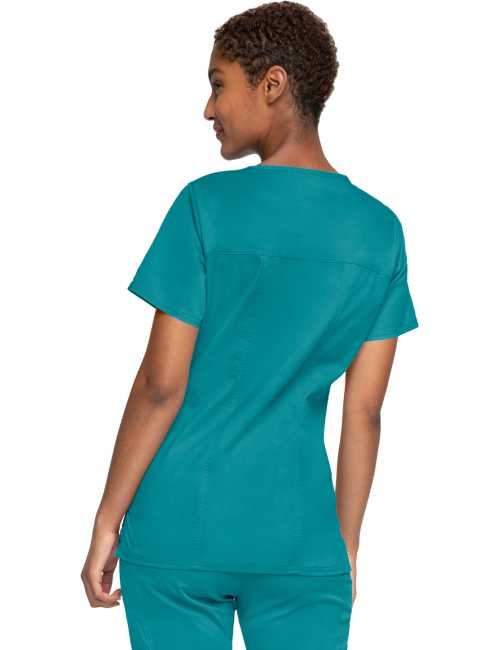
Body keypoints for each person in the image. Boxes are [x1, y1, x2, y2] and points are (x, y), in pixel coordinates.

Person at [81, 2, 419, 648]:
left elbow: (160, 385)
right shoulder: (381, 232)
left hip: (178, 528)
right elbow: (364, 412)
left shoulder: (204, 207)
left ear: (272, 85)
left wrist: (106, 519)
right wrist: (343, 546)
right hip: (300, 539)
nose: (208, 108)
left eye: (218, 84)